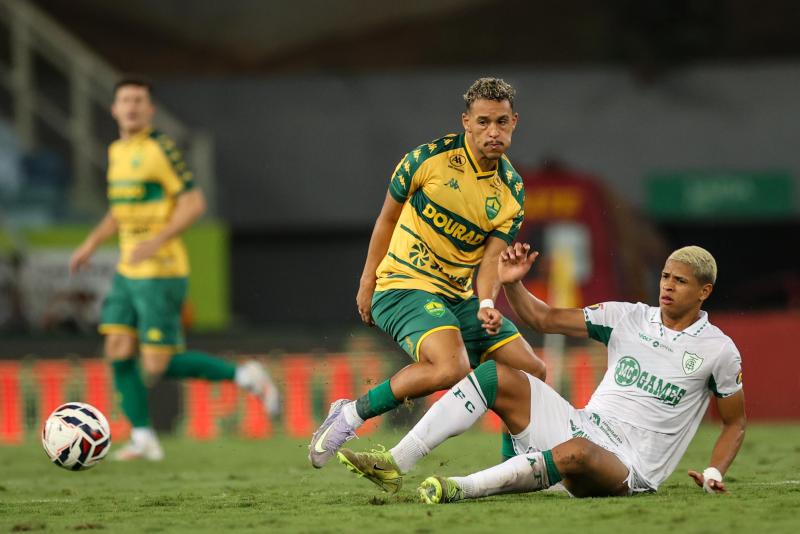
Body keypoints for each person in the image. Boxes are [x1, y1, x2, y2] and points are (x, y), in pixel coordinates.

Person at [337, 244, 746, 501]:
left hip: (629, 465)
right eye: (664, 277)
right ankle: (396, 462)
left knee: (578, 453)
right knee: (497, 373)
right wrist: (513, 285)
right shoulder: (629, 317)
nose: (667, 286)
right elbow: (544, 317)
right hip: (585, 424)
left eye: (680, 281)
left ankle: (461, 487)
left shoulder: (718, 350)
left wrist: (713, 470)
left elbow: (735, 423)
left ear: (704, 291)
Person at [308, 78, 546, 469]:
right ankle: (349, 415)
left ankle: (513, 465)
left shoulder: (511, 191)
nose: (493, 132)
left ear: (514, 123)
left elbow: (490, 262)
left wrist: (487, 302)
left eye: (502, 122)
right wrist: (368, 280)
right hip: (402, 284)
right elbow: (386, 219)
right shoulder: (427, 160)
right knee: (452, 367)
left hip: (457, 296)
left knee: (532, 370)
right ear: (465, 121)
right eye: (484, 122)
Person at [69, 77, 279, 461]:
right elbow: (121, 208)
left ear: (150, 110)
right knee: (116, 345)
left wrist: (157, 239)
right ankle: (144, 437)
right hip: (128, 270)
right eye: (125, 100)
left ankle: (245, 375)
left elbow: (194, 203)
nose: (131, 106)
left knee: (157, 363)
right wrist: (91, 243)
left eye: (139, 101)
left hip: (161, 271)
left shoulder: (160, 150)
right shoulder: (117, 152)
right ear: (114, 109)